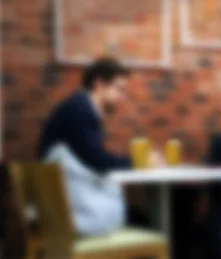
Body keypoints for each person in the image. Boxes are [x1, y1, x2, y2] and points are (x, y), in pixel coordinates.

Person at [38, 57, 155, 236]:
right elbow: (98, 161)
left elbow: (93, 158)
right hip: (70, 215)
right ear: (99, 84)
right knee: (142, 221)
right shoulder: (79, 110)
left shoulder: (79, 107)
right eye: (119, 89)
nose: (122, 97)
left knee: (138, 217)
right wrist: (141, 162)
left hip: (61, 207)